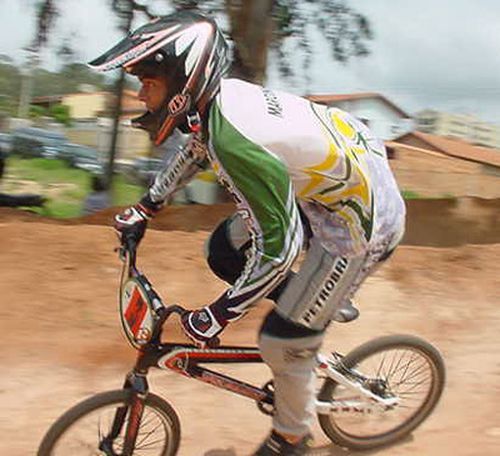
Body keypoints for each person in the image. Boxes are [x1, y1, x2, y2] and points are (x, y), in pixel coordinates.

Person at [89, 11, 406, 456]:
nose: (140, 93)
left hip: (356, 222)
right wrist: (146, 206)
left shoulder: (237, 143)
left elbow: (280, 249)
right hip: (325, 189)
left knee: (282, 338)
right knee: (222, 250)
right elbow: (195, 150)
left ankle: (291, 436)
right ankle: (315, 306)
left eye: (148, 81)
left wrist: (219, 313)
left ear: (182, 82)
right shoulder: (217, 103)